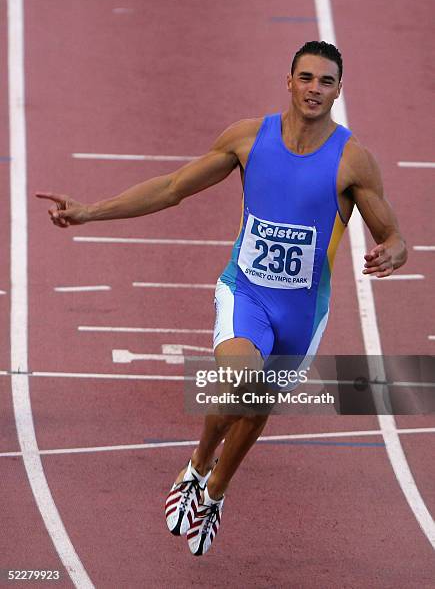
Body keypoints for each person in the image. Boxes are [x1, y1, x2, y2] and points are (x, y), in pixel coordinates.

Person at [37, 41, 407, 556]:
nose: (315, 89)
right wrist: (90, 212)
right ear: (289, 80)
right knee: (240, 384)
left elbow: (390, 233)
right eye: (306, 78)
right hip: (245, 293)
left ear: (339, 90)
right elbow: (171, 188)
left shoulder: (352, 161)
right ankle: (196, 464)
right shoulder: (248, 139)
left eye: (326, 81)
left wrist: (393, 251)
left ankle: (214, 491)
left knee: (255, 411)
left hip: (303, 313)